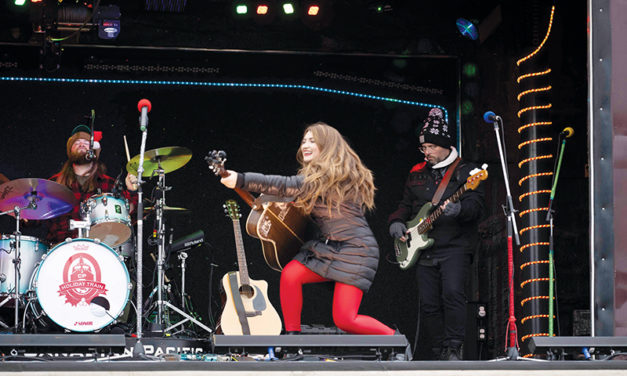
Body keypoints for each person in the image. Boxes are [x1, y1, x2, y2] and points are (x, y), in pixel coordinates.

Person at [220, 122, 395, 335]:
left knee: (345, 319)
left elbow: (285, 184)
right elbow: (291, 193)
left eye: (312, 141)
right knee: (291, 275)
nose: (305, 145)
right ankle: (293, 335)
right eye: (304, 141)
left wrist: (241, 179)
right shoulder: (317, 180)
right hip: (330, 247)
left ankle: (394, 340)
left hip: (356, 251)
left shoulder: (331, 177)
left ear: (328, 146)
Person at [388, 108, 484, 360]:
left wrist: (459, 209)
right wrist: (396, 222)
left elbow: (477, 207)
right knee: (429, 303)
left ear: (444, 145)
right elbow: (405, 205)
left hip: (455, 246)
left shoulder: (467, 171)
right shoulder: (417, 172)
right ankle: (438, 348)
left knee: (453, 294)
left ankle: (454, 347)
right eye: (424, 148)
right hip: (424, 249)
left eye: (431, 146)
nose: (426, 152)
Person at [46, 125, 138, 245]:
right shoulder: (53, 184)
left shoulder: (109, 184)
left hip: (98, 250)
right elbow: (35, 217)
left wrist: (131, 191)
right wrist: (23, 209)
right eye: (76, 142)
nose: (81, 144)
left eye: (86, 142)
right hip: (59, 251)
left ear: (94, 151)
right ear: (70, 150)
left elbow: (128, 217)